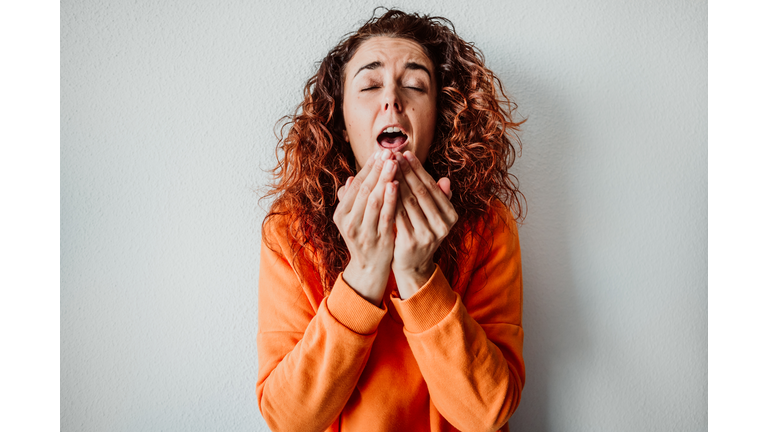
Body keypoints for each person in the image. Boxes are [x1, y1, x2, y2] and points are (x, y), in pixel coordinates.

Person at [257, 9, 526, 432]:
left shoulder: (487, 226)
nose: (392, 99)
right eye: (368, 84)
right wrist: (363, 273)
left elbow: (487, 414)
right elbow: (289, 419)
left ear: (439, 117)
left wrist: (419, 276)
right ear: (342, 122)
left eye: (415, 84)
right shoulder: (290, 231)